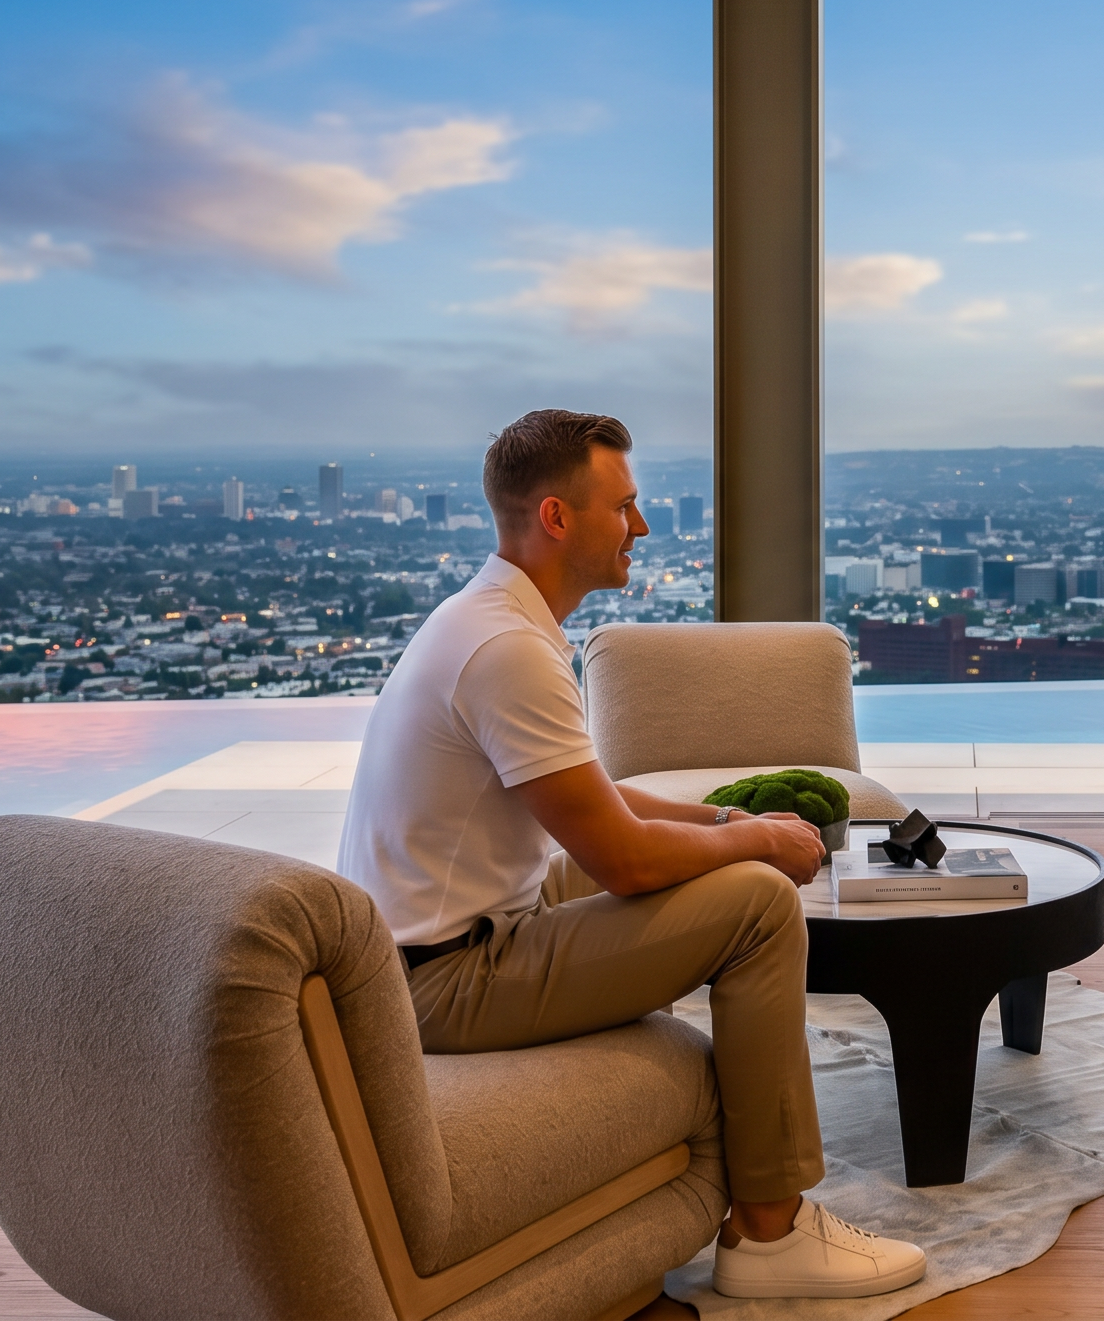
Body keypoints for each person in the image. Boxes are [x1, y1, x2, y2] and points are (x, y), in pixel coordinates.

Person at [336, 409, 926, 1299]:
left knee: (732, 863)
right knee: (760, 906)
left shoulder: (492, 618)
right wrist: (761, 845)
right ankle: (772, 1232)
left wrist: (728, 826)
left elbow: (597, 804)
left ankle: (768, 1203)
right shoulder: (507, 650)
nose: (642, 528)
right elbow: (626, 863)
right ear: (557, 518)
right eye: (626, 507)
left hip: (443, 940)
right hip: (443, 985)